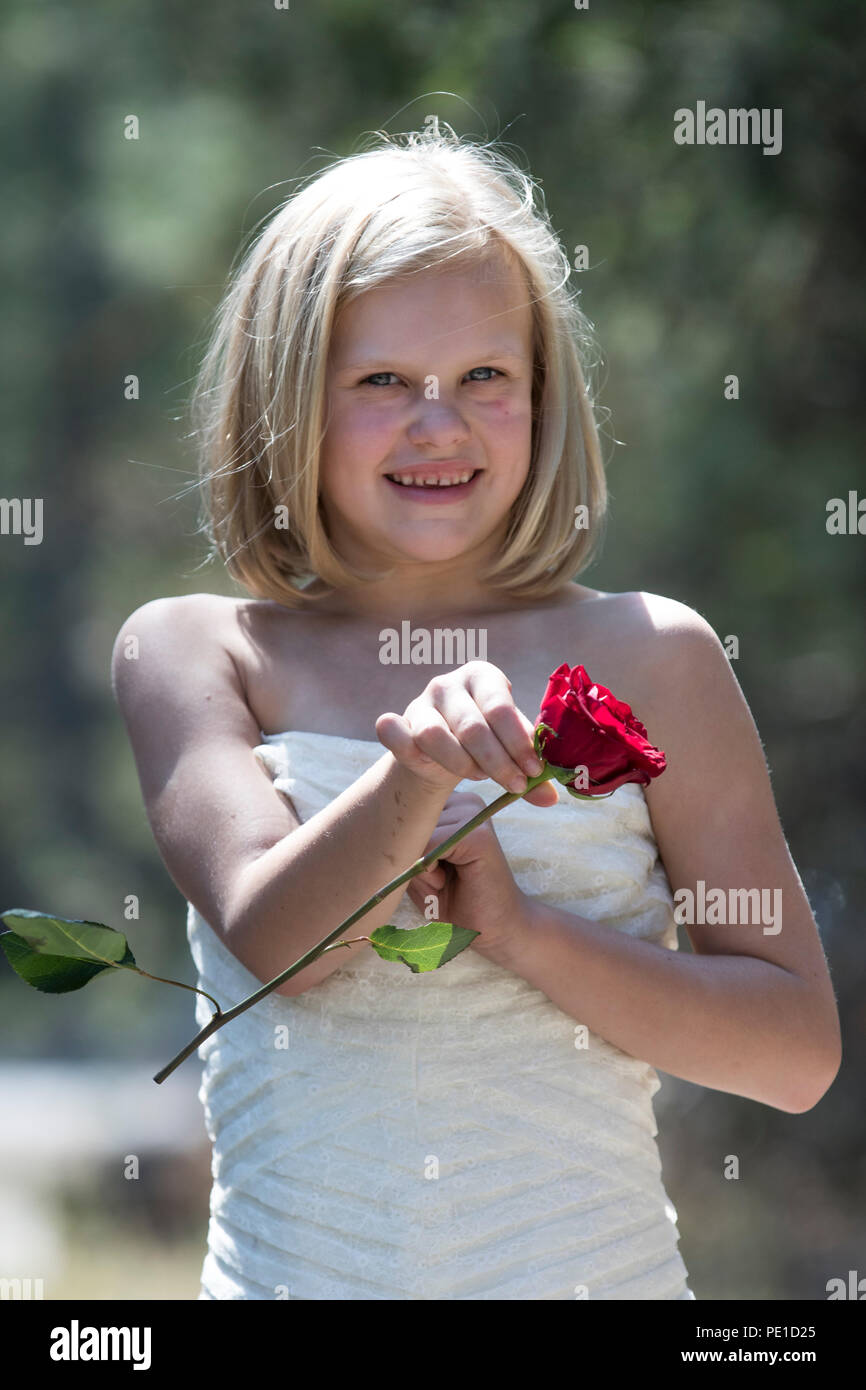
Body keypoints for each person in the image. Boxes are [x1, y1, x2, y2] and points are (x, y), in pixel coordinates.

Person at [111, 125, 841, 1300]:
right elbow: (277, 946)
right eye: (381, 381)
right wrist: (414, 779)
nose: (437, 424)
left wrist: (524, 931)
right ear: (285, 396)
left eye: (483, 378)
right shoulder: (196, 649)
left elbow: (795, 1054)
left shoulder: (656, 650)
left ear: (543, 396)